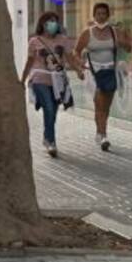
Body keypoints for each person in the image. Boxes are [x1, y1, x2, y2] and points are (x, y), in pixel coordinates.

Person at [21, 11, 81, 157]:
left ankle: (47, 137)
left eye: (54, 21)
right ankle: (51, 142)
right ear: (42, 24)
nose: (52, 24)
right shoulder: (34, 41)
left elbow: (69, 58)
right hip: (39, 78)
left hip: (57, 81)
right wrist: (23, 79)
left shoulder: (63, 40)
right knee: (48, 107)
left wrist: (78, 70)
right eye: (49, 21)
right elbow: (30, 61)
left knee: (53, 110)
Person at [75, 2, 132, 151]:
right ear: (94, 15)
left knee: (105, 105)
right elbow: (77, 51)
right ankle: (103, 135)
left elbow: (129, 48)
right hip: (93, 72)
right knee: (99, 103)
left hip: (109, 72)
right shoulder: (87, 33)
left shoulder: (114, 32)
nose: (101, 16)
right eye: (98, 13)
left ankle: (100, 132)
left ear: (108, 15)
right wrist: (80, 66)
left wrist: (124, 40)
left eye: (104, 14)